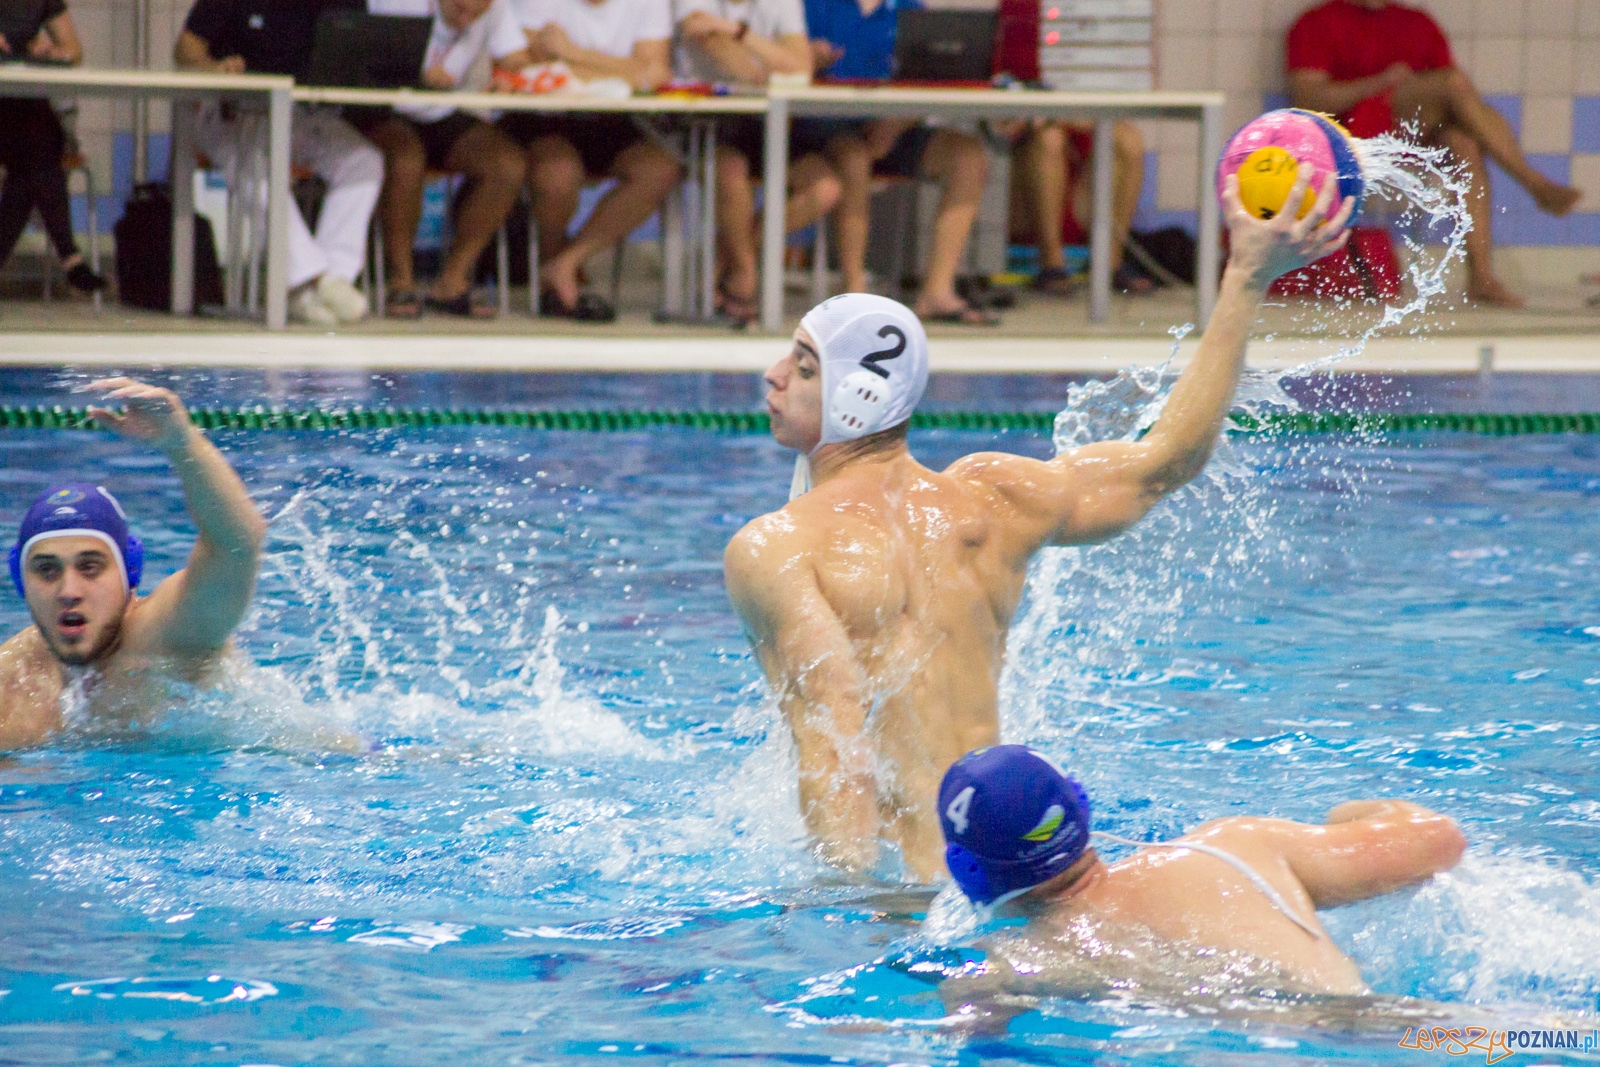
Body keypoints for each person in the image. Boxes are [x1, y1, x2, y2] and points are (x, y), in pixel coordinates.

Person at [723, 164, 1354, 881]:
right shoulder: (993, 500)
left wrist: (841, 910)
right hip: (1025, 870)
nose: (773, 374)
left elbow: (836, 745)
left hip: (902, 900)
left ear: (854, 400)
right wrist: (1245, 276)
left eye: (804, 367)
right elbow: (1167, 462)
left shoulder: (775, 547)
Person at [934, 745, 1465, 1014]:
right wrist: (1352, 809)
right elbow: (1440, 840)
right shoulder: (1236, 845)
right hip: (1436, 1032)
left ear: (970, 873)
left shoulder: (1014, 963)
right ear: (1082, 808)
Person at [0, 378, 267, 748]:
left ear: (130, 574)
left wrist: (181, 442)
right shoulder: (12, 683)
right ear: (20, 582)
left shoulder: (169, 635)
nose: (68, 591)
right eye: (47, 570)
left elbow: (237, 544)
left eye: (90, 567)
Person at [1286, 0, 1582, 309]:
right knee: (1452, 84)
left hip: (1416, 134)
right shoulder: (1316, 22)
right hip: (1355, 134)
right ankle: (1534, 182)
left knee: (1463, 139)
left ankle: (1481, 276)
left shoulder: (1417, 22)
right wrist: (1381, 82)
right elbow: (1308, 98)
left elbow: (1463, 100)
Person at [175, 0, 383, 326]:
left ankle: (334, 276)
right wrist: (214, 69)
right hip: (230, 110)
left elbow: (360, 51)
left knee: (364, 161)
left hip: (301, 111)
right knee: (254, 162)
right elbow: (186, 50)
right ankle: (314, 280)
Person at [799, 0, 995, 325]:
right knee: (854, 157)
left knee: (967, 156)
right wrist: (809, 56)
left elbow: (933, 74)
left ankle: (937, 289)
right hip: (825, 127)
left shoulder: (909, 8)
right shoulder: (814, 5)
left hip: (894, 124)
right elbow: (787, 61)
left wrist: (899, 121)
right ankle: (854, 290)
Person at [355, 0, 532, 319]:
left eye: (475, 13)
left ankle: (452, 280)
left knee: (506, 164)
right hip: (386, 107)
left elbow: (517, 57)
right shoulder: (395, 5)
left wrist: (511, 75)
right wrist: (415, 70)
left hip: (444, 111)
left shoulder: (493, 9)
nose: (466, 19)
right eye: (459, 9)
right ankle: (401, 282)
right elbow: (361, 53)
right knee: (406, 159)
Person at [504, 0, 677, 321]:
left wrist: (570, 53)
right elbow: (523, 67)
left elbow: (656, 74)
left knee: (660, 169)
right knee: (557, 173)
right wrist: (623, 70)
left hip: (617, 119)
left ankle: (565, 264)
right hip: (546, 116)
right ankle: (551, 266)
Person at [671, 0, 840, 324]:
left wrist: (736, 31)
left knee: (826, 187)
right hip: (707, 124)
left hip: (770, 122)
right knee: (730, 170)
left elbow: (800, 68)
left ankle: (728, 261)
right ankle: (746, 273)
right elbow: (734, 62)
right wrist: (774, 62)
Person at [0, 0, 107, 297]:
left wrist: (53, 52)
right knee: (40, 144)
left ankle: (71, 260)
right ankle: (71, 258)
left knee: (33, 153)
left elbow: (73, 49)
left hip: (18, 109)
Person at [1008, 120, 1150, 296]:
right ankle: (1052, 264)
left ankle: (1110, 263)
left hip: (1079, 202)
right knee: (1049, 139)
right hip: (1021, 206)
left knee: (1129, 139)